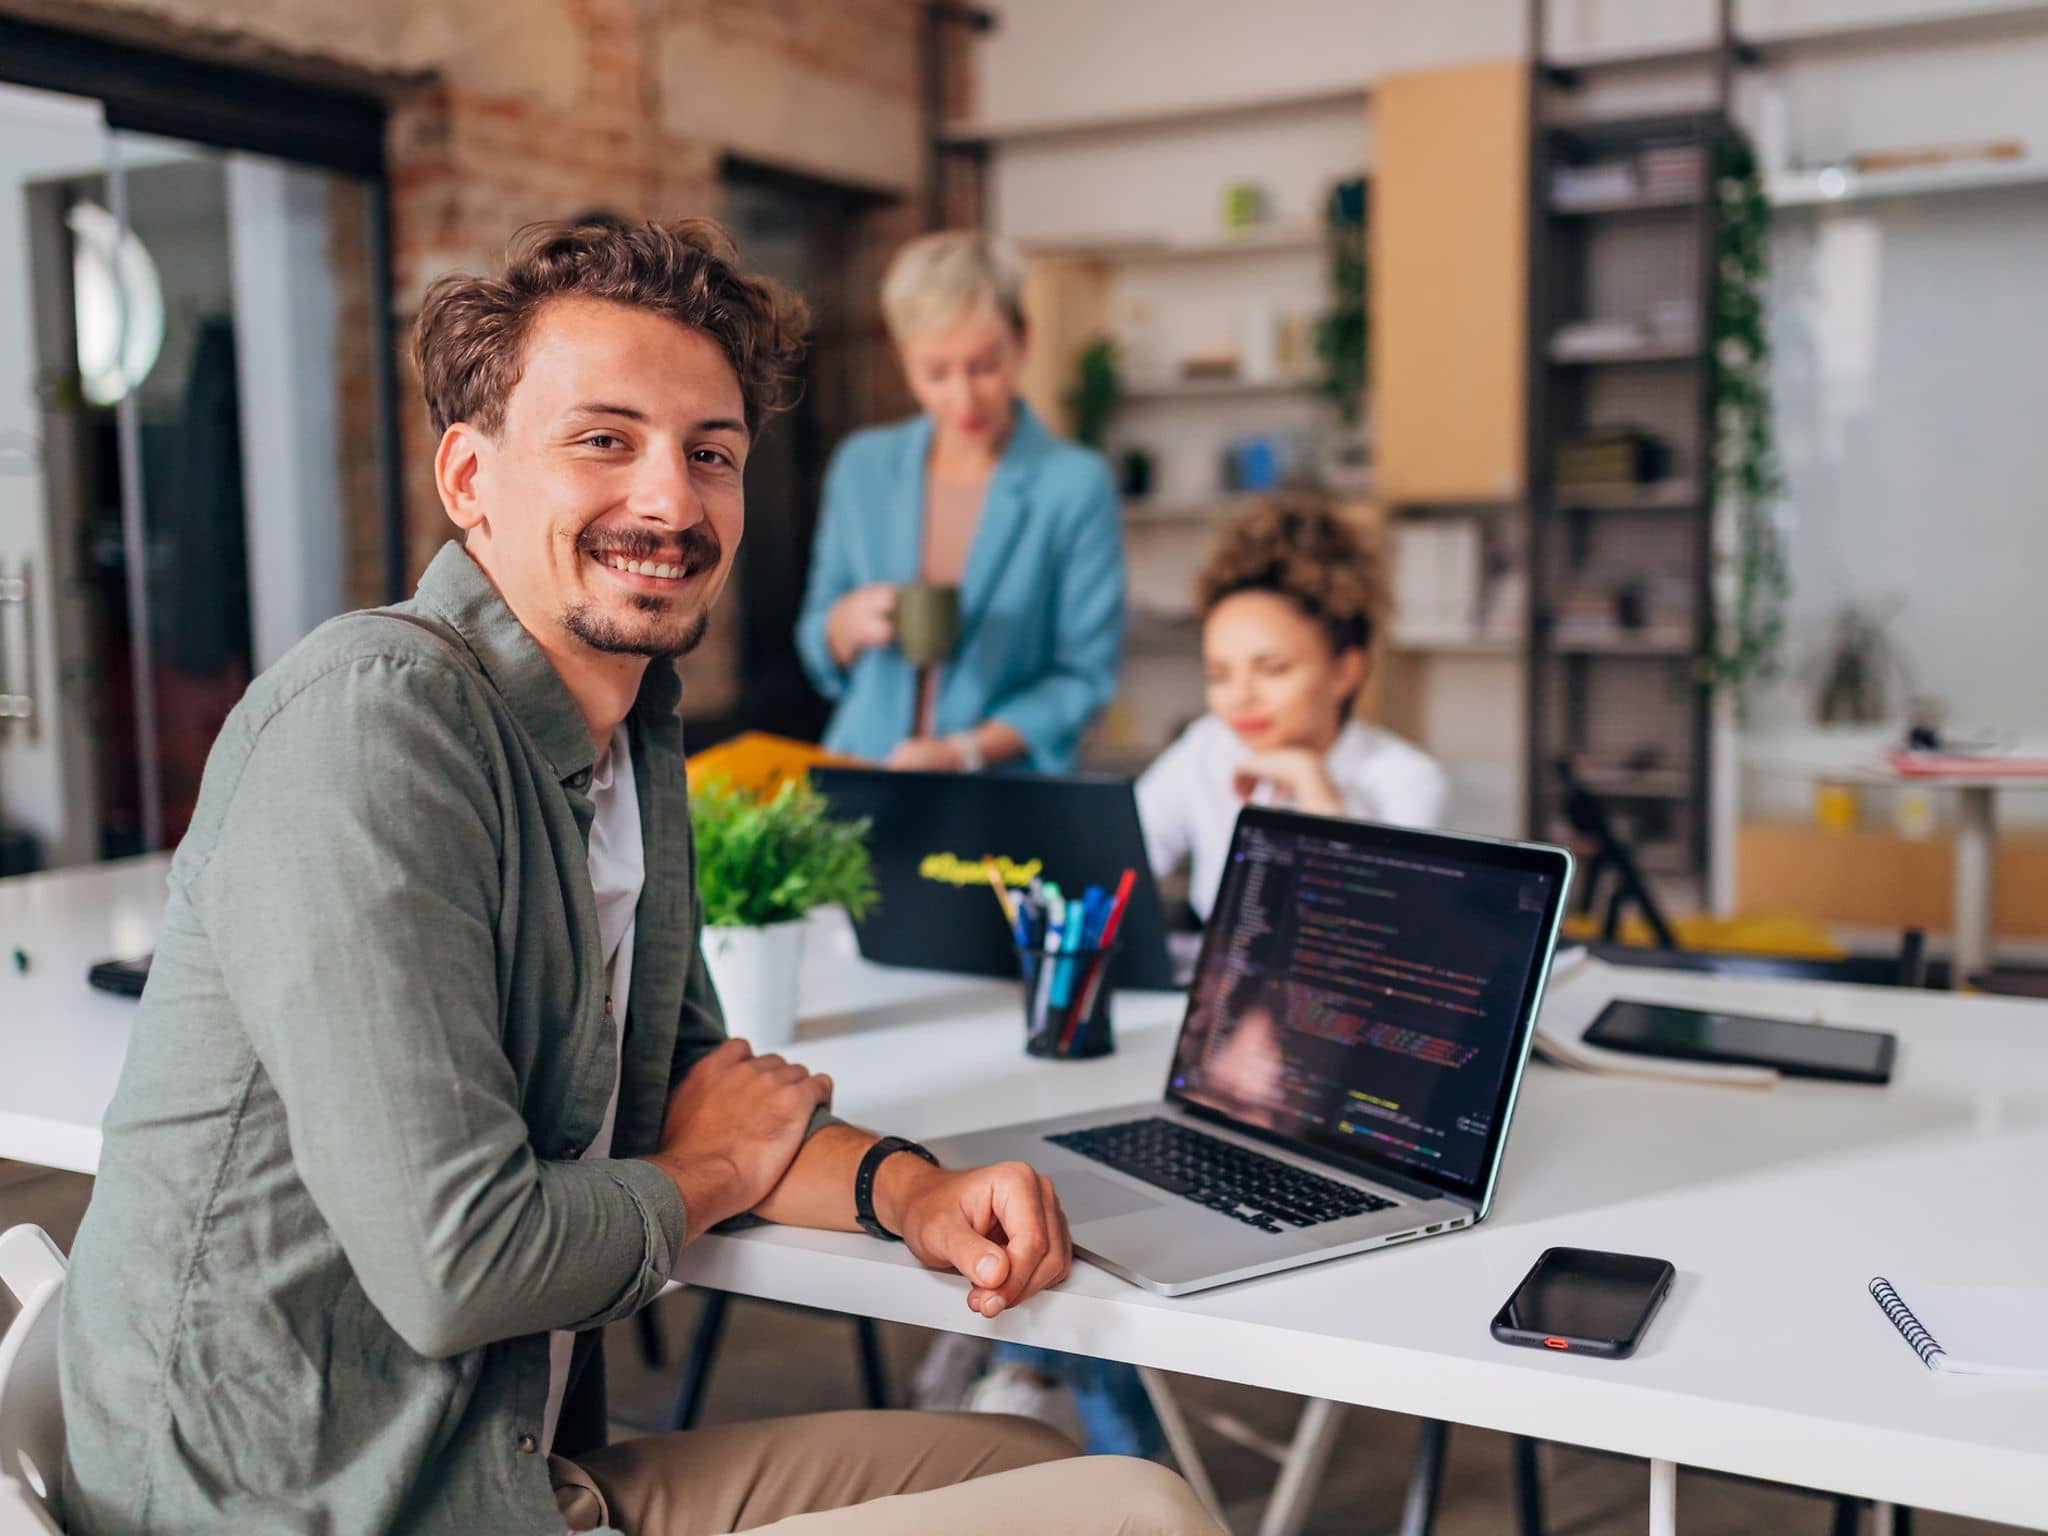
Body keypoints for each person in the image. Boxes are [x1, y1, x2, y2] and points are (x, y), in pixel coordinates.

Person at [58, 219, 1217, 1536]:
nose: (669, 502)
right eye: (603, 440)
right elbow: (464, 1263)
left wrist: (918, 1194)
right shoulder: (375, 725)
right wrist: (713, 1174)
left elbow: (693, 1096)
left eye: (709, 455)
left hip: (501, 1465)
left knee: (1031, 1457)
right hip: (330, 1504)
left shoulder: (632, 732)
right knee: (1135, 1520)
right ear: (469, 476)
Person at [794, 231, 1124, 773]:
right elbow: (814, 638)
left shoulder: (1074, 485)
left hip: (1001, 788)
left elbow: (1083, 678)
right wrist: (840, 626)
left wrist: (965, 752)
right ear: (904, 359)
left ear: (1023, 340)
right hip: (864, 772)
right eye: (937, 372)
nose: (963, 397)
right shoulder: (863, 467)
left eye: (984, 366)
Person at [1140, 498, 1449, 921]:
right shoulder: (1207, 744)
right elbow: (1124, 857)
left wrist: (1314, 786)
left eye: (1273, 669)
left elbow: (1369, 930)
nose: (1241, 696)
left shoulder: (1407, 779)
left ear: (1345, 671)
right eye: (1219, 674)